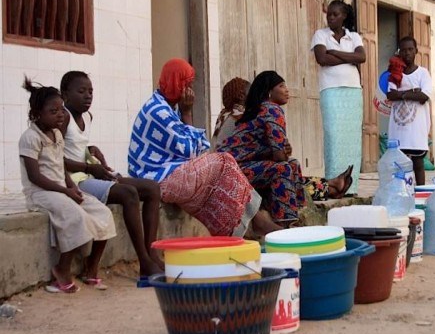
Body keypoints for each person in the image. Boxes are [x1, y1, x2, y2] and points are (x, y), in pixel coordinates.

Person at [128, 58, 281, 237]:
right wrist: (187, 113)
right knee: (224, 161)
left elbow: (197, 149)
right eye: (188, 84)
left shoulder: (169, 107)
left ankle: (242, 228)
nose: (190, 91)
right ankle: (257, 222)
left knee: (219, 180)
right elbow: (193, 152)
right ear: (177, 83)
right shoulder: (158, 110)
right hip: (158, 180)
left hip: (170, 172)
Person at [60, 71, 163, 277]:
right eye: (81, 91)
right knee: (129, 194)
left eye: (90, 91)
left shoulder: (87, 117)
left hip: (89, 174)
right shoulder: (63, 118)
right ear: (65, 94)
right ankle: (143, 261)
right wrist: (88, 168)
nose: (88, 96)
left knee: (152, 189)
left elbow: (75, 145)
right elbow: (56, 158)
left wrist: (91, 150)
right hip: (76, 181)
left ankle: (152, 255)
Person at [19, 78, 116, 293]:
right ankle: (61, 270)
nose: (60, 115)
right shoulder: (30, 138)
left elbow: (60, 167)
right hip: (41, 193)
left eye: (61, 110)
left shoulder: (56, 134)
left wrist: (73, 188)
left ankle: (91, 269)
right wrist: (65, 191)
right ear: (36, 114)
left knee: (102, 213)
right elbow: (35, 176)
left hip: (61, 189)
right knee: (75, 215)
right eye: (53, 111)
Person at [217, 71, 353, 224]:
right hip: (232, 170)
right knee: (283, 169)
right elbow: (280, 156)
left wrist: (281, 151)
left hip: (237, 166)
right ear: (269, 92)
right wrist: (282, 151)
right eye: (281, 86)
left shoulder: (253, 110)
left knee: (292, 165)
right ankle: (284, 224)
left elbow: (277, 151)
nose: (287, 90)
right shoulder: (270, 109)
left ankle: (300, 214)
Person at [311, 0, 366, 195]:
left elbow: (362, 57)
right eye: (329, 15)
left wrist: (335, 52)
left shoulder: (354, 37)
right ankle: (334, 184)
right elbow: (322, 58)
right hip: (331, 90)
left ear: (344, 16)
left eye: (335, 15)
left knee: (352, 139)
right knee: (334, 136)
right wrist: (347, 56)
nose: (331, 18)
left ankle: (352, 186)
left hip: (353, 91)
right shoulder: (320, 34)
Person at [386, 36, 433, 185]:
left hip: (416, 130)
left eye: (410, 49)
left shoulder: (423, 73)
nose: (407, 53)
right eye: (403, 50)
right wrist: (412, 92)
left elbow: (424, 96)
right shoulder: (395, 74)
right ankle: (401, 194)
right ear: (399, 52)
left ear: (416, 51)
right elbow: (390, 95)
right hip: (399, 130)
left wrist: (403, 94)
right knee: (399, 166)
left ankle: (420, 195)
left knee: (418, 164)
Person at [211, 77, 249, 148]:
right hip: (225, 157)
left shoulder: (224, 114)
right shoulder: (239, 115)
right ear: (241, 96)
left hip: (215, 156)